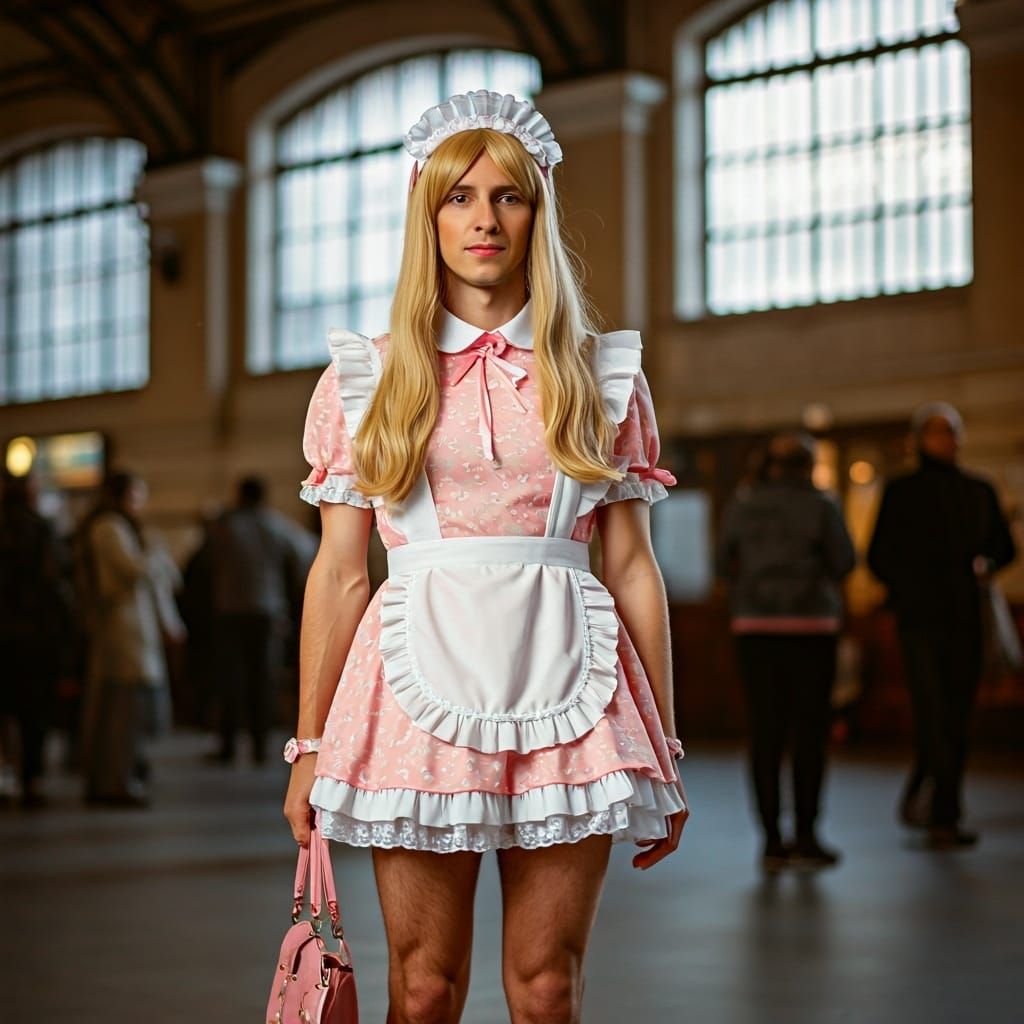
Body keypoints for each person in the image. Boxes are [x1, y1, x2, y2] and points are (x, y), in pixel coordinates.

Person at [282, 90, 688, 1023]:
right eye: (458, 196)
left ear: (536, 215)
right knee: (424, 990)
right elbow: (342, 574)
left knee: (548, 990)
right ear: (426, 215)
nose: (483, 218)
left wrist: (663, 741)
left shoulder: (599, 372)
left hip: (574, 687)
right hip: (412, 686)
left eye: (508, 197)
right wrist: (306, 747)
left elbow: (632, 567)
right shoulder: (368, 376)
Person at [868, 403, 1016, 849]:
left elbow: (1004, 549)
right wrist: (909, 585)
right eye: (935, 433)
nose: (944, 441)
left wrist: (984, 565)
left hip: (965, 619)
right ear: (919, 440)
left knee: (956, 714)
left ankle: (929, 796)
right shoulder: (901, 492)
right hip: (919, 621)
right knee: (933, 712)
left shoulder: (978, 490)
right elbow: (879, 556)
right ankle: (942, 812)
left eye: (949, 432)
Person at [717, 432, 855, 873]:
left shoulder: (743, 503)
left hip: (755, 627)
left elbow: (723, 563)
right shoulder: (823, 506)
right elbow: (844, 562)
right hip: (813, 627)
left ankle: (772, 841)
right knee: (810, 734)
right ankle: (808, 836)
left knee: (765, 733)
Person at [78, 471, 184, 807]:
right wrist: (158, 555)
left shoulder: (112, 527)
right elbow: (133, 569)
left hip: (127, 628)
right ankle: (114, 781)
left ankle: (116, 777)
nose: (141, 503)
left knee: (123, 709)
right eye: (137, 495)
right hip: (121, 629)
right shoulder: (109, 527)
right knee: (121, 711)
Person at [206, 476, 313, 764]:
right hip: (268, 612)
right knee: (263, 680)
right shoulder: (276, 525)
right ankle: (260, 748)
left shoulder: (226, 525)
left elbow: (208, 557)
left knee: (230, 681)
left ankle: (228, 747)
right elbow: (306, 554)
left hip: (231, 611)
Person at [0, 472, 73, 808]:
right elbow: (55, 583)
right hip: (35, 637)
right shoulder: (42, 530)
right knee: (34, 714)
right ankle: (32, 778)